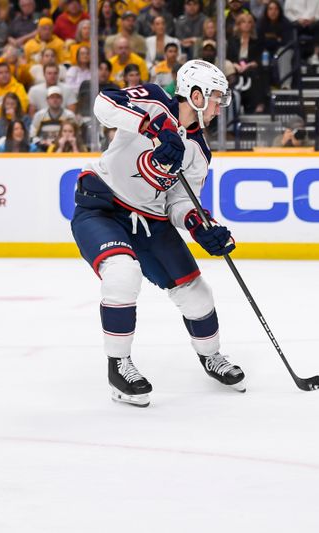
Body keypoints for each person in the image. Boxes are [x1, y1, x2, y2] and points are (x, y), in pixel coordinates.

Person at [71, 59, 244, 407]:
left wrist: (200, 226)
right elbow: (104, 104)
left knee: (197, 293)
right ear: (195, 94)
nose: (218, 106)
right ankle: (119, 366)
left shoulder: (199, 150)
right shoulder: (152, 99)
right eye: (214, 97)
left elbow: (180, 202)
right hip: (102, 207)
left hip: (150, 221)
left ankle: (211, 356)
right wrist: (155, 128)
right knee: (122, 273)